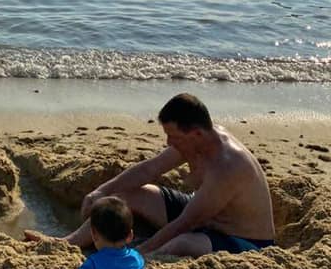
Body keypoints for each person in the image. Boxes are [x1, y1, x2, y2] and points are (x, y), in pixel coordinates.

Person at [28, 93, 275, 257]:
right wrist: (102, 190)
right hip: (202, 213)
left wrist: (142, 253)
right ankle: (66, 244)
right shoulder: (198, 140)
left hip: (243, 240)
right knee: (125, 197)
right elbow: (150, 169)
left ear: (196, 134)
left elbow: (185, 224)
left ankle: (140, 260)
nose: (169, 142)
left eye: (174, 137)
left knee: (183, 243)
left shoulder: (228, 166)